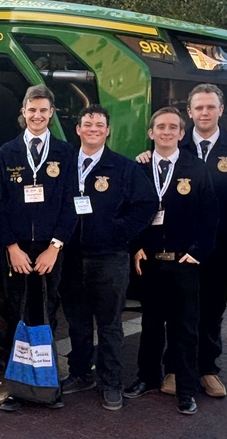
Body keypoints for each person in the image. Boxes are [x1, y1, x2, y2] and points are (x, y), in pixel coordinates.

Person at [136, 84, 227, 398]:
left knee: (212, 307)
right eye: (198, 107)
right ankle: (175, 368)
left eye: (210, 107)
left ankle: (207, 369)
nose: (204, 112)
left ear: (220, 110)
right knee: (178, 311)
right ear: (189, 113)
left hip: (218, 241)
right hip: (178, 244)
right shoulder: (175, 142)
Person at [60, 106, 157, 411]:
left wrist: (119, 232)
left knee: (110, 323)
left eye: (99, 124)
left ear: (108, 131)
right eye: (87, 124)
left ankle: (111, 381)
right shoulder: (63, 165)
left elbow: (147, 204)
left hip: (109, 257)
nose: (93, 129)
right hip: (70, 256)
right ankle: (80, 373)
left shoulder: (123, 167)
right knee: (77, 322)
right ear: (78, 129)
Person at [127, 107, 218, 415]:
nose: (166, 132)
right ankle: (147, 377)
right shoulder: (139, 168)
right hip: (150, 262)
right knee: (151, 324)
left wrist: (199, 251)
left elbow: (210, 214)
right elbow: (129, 211)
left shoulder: (196, 167)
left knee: (185, 328)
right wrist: (136, 246)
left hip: (184, 262)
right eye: (160, 127)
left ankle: (186, 388)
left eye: (172, 127)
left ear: (181, 133)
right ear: (151, 132)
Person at [0, 85, 77, 412]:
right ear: (23, 112)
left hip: (49, 249)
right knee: (18, 313)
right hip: (16, 250)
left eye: (43, 110)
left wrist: (55, 247)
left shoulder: (65, 152)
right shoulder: (7, 151)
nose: (37, 115)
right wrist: (11, 247)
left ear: (51, 112)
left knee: (47, 313)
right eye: (32, 110)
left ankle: (47, 386)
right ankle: (17, 388)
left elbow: (71, 203)